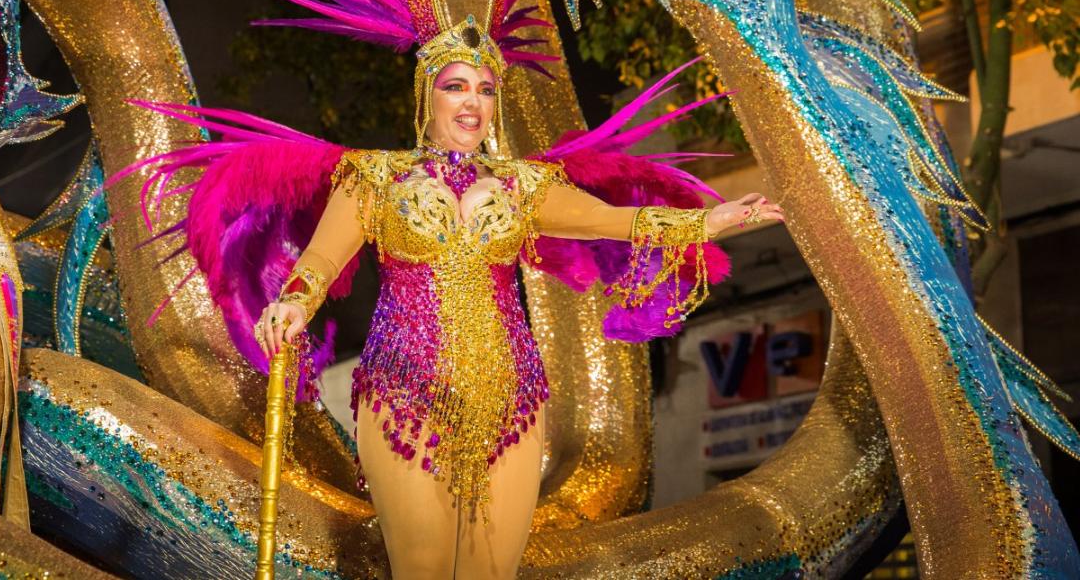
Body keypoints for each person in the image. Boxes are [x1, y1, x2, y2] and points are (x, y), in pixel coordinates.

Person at [247, 29, 782, 579]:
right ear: (425, 94)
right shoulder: (376, 178)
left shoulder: (521, 185)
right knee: (424, 570)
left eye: (485, 89)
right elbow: (320, 261)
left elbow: (614, 221)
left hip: (513, 398)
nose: (472, 102)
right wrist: (293, 304)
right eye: (456, 86)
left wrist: (708, 222)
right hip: (404, 390)